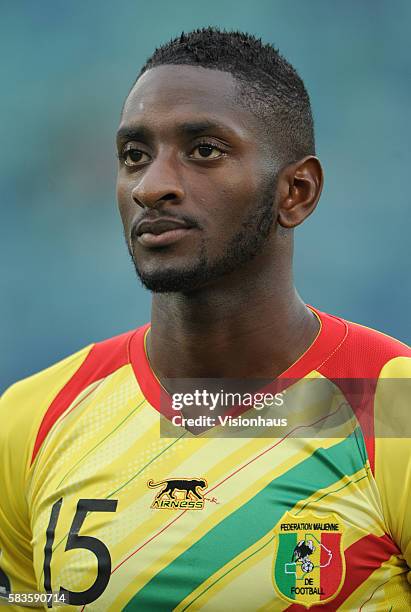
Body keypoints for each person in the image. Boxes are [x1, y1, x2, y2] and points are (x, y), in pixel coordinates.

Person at [1, 27, 410, 611]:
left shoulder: (394, 403)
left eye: (205, 151)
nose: (152, 185)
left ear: (296, 191)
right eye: (134, 156)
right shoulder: (32, 418)